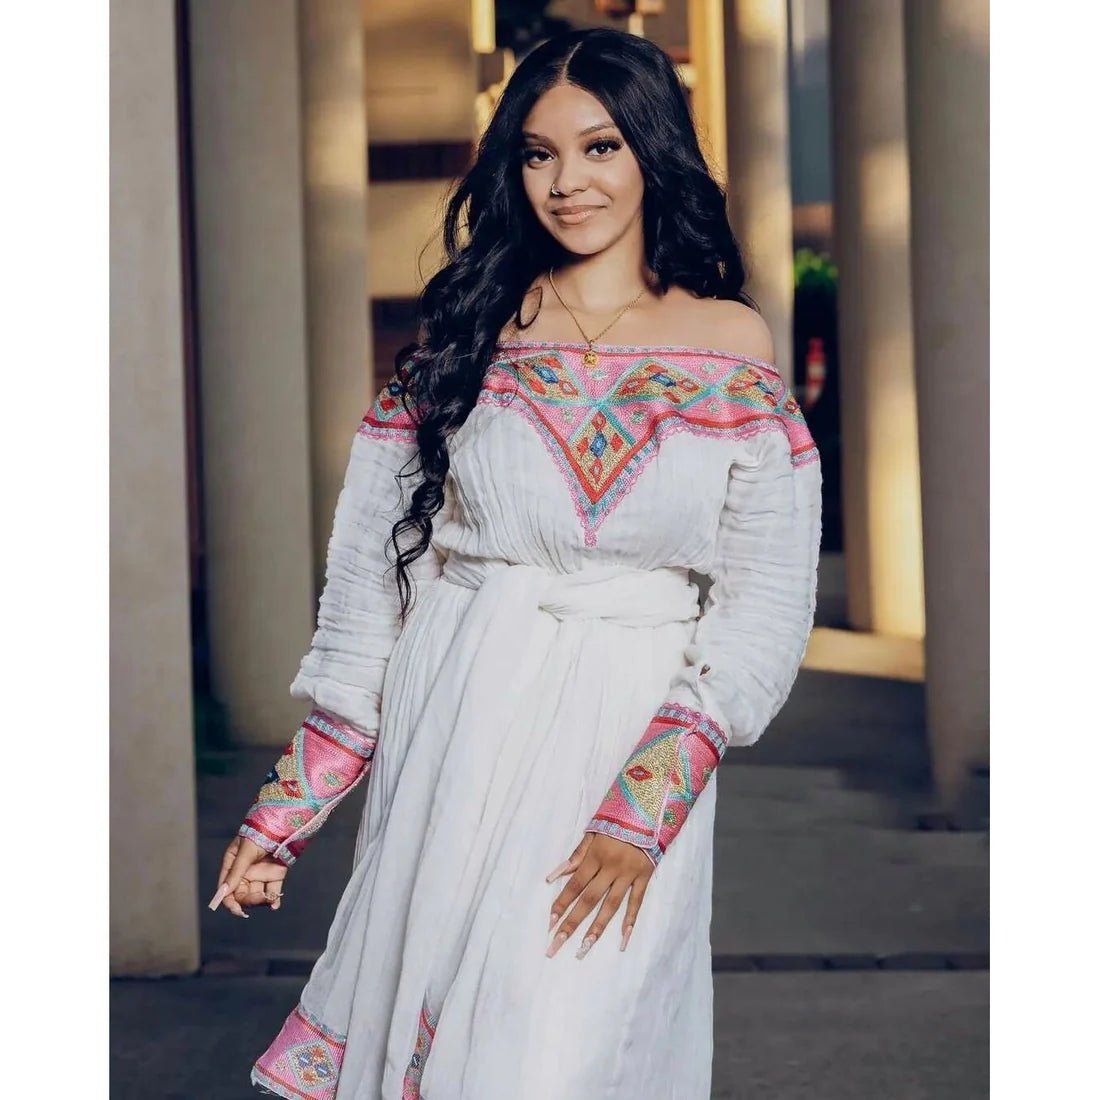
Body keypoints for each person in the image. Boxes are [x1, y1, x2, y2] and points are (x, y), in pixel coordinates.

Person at [208, 26, 822, 1100]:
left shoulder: (731, 346)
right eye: (537, 153)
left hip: (623, 740)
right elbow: (369, 597)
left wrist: (646, 804)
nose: (566, 181)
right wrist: (282, 816)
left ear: (650, 151)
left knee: (563, 1046)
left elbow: (761, 605)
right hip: (459, 721)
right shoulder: (466, 333)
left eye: (598, 147)